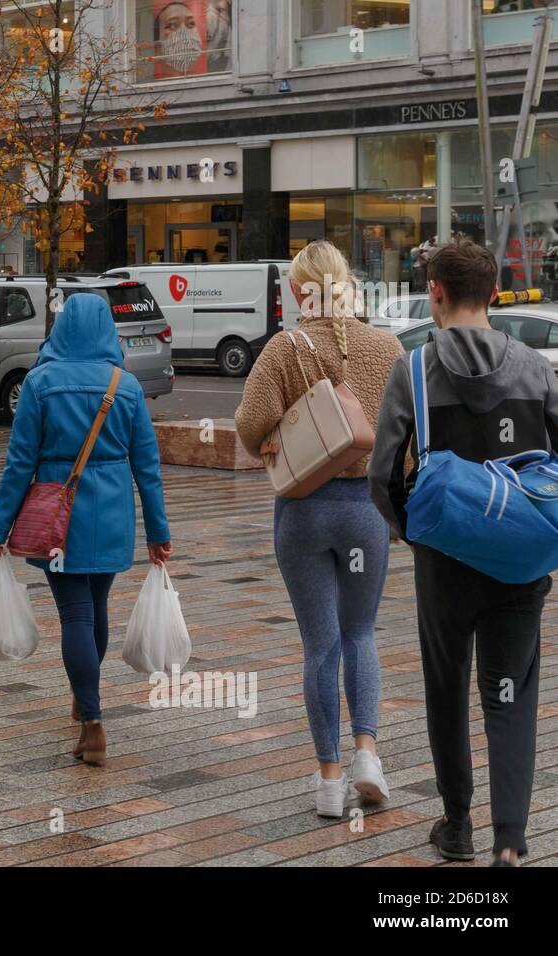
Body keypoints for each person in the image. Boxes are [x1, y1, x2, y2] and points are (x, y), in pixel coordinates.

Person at [369, 239, 558, 867]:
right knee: (510, 694)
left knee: (445, 686)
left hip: (445, 564)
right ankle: (510, 838)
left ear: (437, 294)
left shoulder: (413, 370)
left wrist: (409, 530)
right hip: (520, 564)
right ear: (496, 293)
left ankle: (456, 826)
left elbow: (382, 476)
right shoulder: (535, 367)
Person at [235, 239, 404, 819]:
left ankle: (329, 784)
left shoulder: (284, 349)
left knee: (319, 645)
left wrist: (271, 434)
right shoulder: (386, 348)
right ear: (348, 283)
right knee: (360, 633)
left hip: (304, 510)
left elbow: (248, 424)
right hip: (365, 512)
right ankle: (367, 758)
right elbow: (403, 439)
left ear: (299, 291)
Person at [0, 293, 172, 766]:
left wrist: (1, 525)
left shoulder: (39, 382)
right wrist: (158, 531)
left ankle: (91, 719)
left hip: (57, 516)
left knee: (74, 615)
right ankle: (84, 696)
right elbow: (147, 467)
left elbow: (19, 463)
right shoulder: (125, 385)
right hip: (112, 513)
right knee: (96, 606)